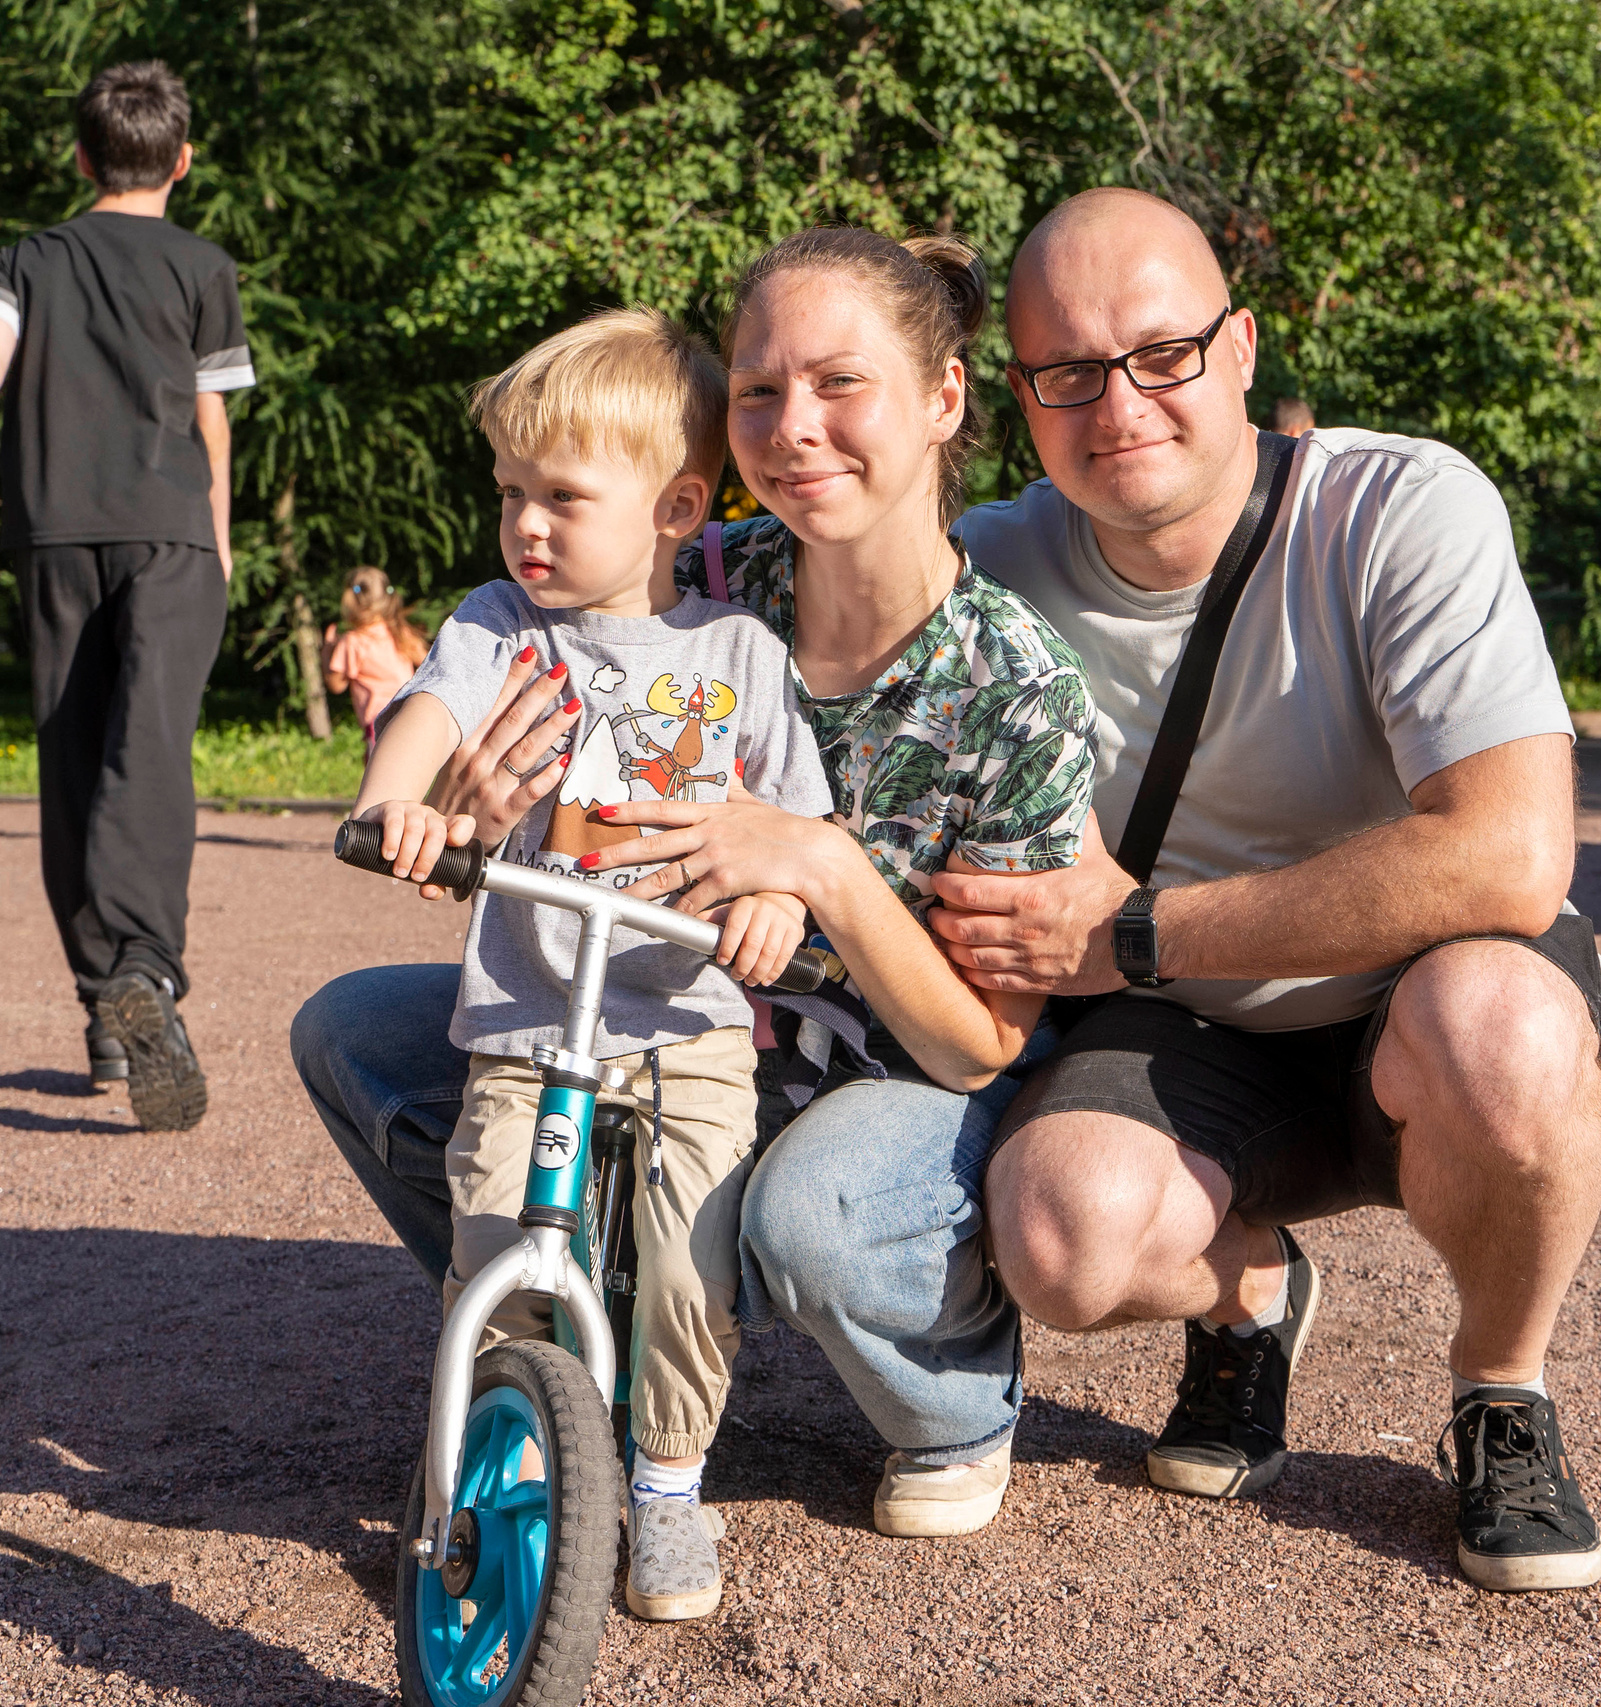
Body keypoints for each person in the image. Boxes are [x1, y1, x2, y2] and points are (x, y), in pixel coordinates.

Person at [291, 231, 1097, 1549]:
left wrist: (818, 864)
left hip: (886, 1077)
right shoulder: (701, 577)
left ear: (945, 397)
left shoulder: (1015, 688)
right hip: (655, 1004)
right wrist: (471, 815)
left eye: (841, 383)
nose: (793, 428)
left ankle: (950, 1393)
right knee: (358, 1033)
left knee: (811, 1214)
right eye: (760, 391)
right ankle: (560, 1356)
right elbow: (526, 728)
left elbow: (976, 1043)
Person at [904, 187, 1601, 1595]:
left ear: (1238, 347)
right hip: (1187, 1023)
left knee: (1506, 1032)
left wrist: (1136, 930)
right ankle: (1253, 1292)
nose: (1121, 404)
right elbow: (755, 616)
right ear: (1016, 398)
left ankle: (1501, 1386)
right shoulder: (982, 565)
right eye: (1068, 372)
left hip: (1408, 994)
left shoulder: (1401, 505)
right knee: (1058, 1237)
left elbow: (1512, 856)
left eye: (1161, 353)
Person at [350, 308, 833, 1622]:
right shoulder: (503, 626)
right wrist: (398, 801)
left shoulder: (738, 655)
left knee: (689, 1260)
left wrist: (775, 901)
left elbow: (799, 829)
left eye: (562, 496)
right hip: (530, 1019)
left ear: (677, 507)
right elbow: (429, 709)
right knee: (494, 1231)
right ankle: (490, 1443)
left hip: (685, 1023)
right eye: (509, 491)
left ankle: (666, 1480)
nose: (526, 524)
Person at [0, 61, 250, 1127]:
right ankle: (143, 966)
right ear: (182, 160)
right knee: (148, 750)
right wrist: (219, 546)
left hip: (53, 534)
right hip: (172, 535)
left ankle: (105, 1004)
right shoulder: (203, 266)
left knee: (74, 755)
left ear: (82, 155)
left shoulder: (29, 258)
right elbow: (211, 423)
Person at [322, 566, 429, 745]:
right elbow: (428, 661)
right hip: (411, 714)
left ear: (349, 600)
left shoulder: (353, 642)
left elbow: (336, 685)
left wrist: (327, 651)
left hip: (380, 724)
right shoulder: (399, 631)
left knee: (381, 764)